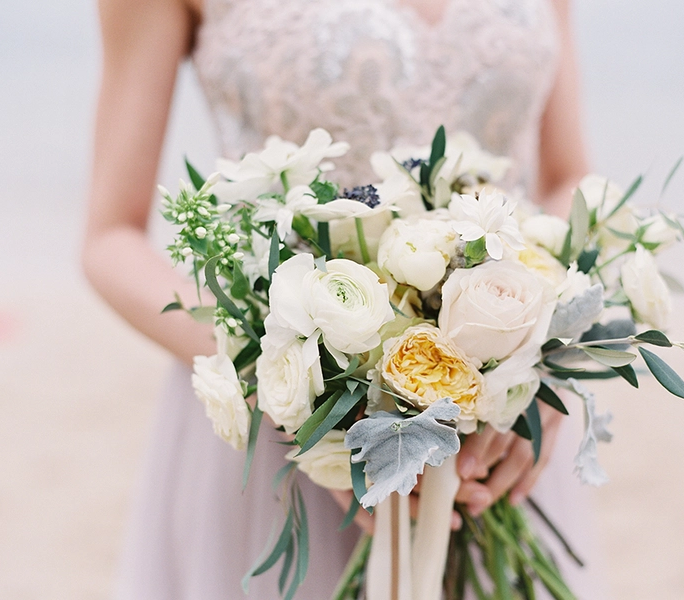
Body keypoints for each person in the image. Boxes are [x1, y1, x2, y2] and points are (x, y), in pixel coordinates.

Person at [83, 0, 601, 597]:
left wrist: (543, 349)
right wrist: (298, 388)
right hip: (283, 421)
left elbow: (567, 179)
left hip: (498, 425)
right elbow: (109, 238)